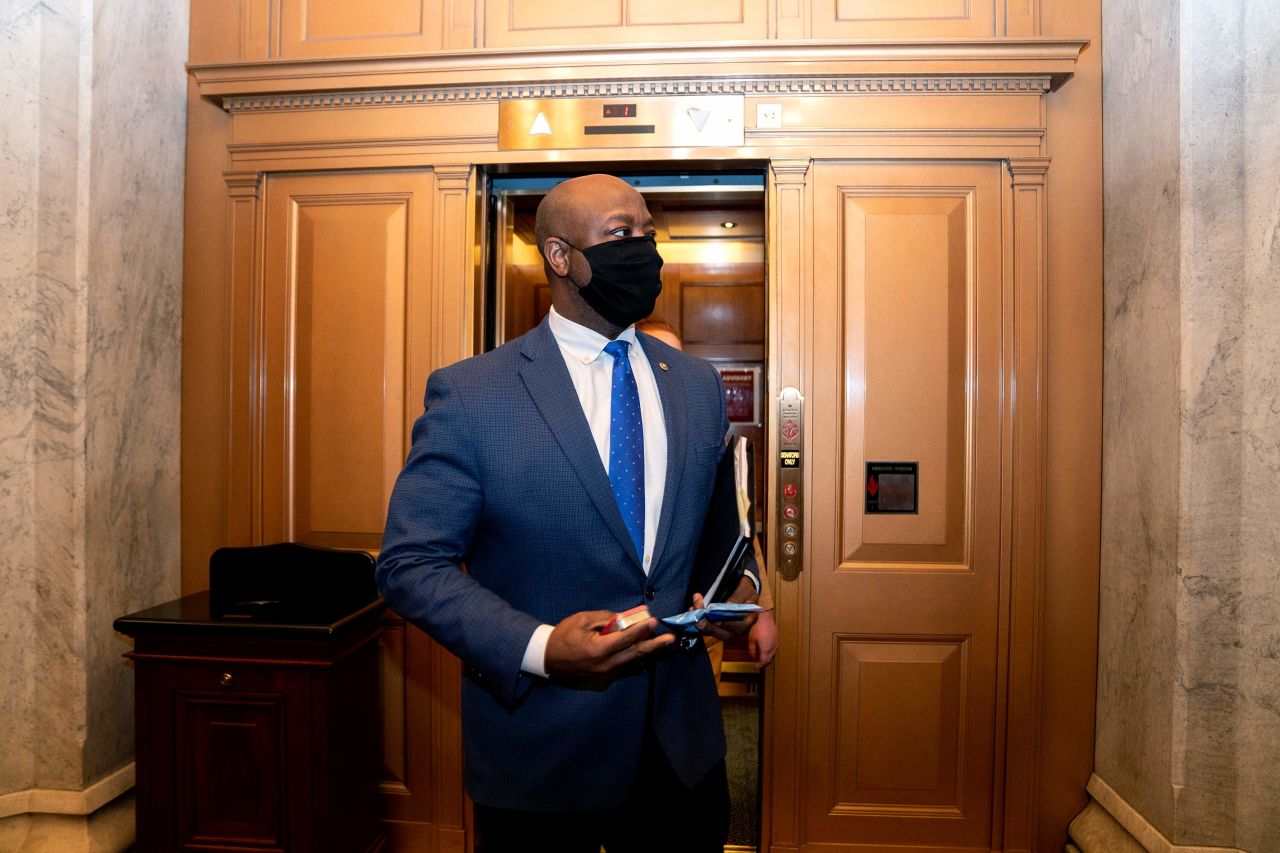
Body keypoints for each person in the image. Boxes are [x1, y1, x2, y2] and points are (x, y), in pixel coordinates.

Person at [376, 174, 759, 853]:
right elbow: (411, 564)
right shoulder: (472, 394)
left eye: (649, 233)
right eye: (620, 235)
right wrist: (541, 647)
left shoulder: (697, 386)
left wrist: (745, 596)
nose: (645, 251)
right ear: (559, 256)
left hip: (682, 751)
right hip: (541, 757)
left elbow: (719, 532)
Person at [634, 317, 779, 673]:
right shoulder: (614, 444)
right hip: (630, 634)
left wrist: (763, 614)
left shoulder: (703, 439)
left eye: (676, 360)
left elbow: (734, 525)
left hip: (697, 638)